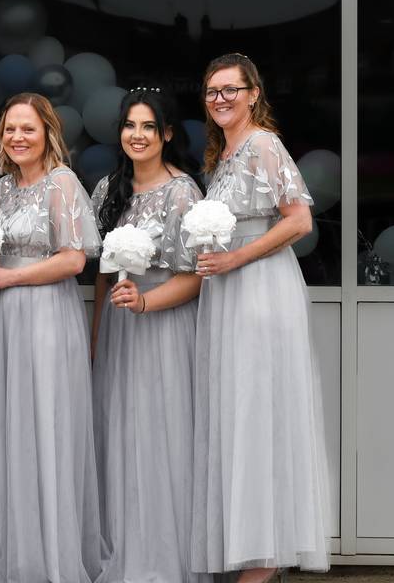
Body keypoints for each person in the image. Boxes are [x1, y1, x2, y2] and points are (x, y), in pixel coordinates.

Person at [190, 53, 330, 583]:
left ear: (253, 94)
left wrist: (235, 258)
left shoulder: (264, 145)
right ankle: (251, 553)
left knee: (261, 413)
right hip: (227, 290)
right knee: (237, 415)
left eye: (230, 89)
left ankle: (266, 559)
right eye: (211, 91)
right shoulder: (221, 154)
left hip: (261, 289)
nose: (220, 99)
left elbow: (299, 220)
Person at [0, 93, 103, 583]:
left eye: (28, 128)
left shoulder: (62, 184)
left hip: (45, 315)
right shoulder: (2, 190)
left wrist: (6, 279)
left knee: (45, 426)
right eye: (10, 129)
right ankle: (14, 557)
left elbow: (73, 259)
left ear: (48, 132)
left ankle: (52, 560)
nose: (18, 138)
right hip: (2, 320)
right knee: (10, 429)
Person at [90, 88, 208, 583]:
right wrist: (98, 336)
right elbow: (100, 275)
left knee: (162, 437)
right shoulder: (106, 190)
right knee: (119, 435)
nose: (137, 136)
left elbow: (197, 275)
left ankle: (166, 560)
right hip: (120, 329)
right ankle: (125, 547)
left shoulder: (184, 193)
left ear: (166, 134)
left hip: (164, 324)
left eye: (147, 127)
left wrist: (145, 302)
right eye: (129, 126)